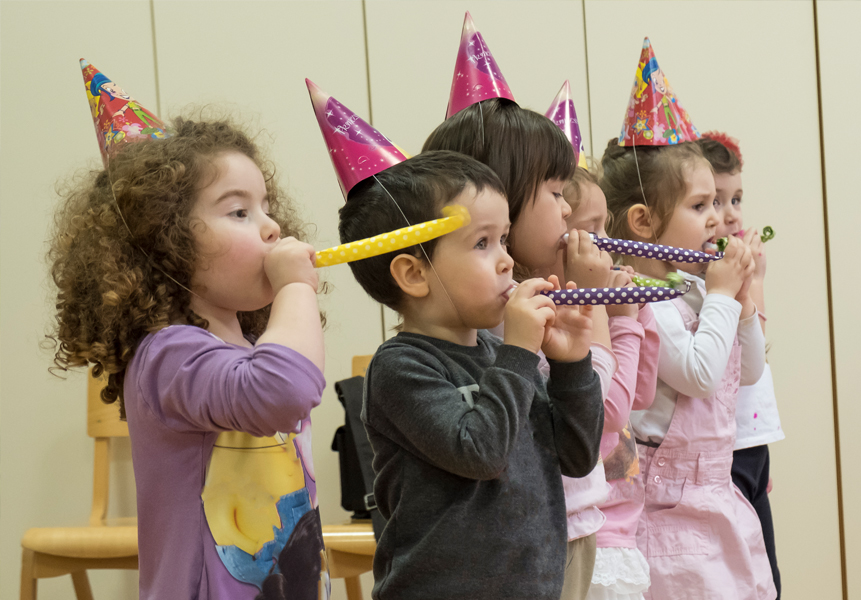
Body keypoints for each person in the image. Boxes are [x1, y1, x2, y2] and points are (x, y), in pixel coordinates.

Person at [48, 110, 328, 599]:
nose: (271, 228)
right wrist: (296, 287)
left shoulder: (244, 350)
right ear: (167, 243)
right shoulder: (168, 354)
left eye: (265, 207)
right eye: (239, 212)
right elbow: (286, 390)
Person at [337, 150, 605, 600]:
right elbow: (480, 451)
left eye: (504, 239)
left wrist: (571, 364)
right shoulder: (400, 367)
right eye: (483, 243)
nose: (506, 261)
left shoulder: (501, 355)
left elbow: (577, 459)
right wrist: (520, 351)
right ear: (413, 274)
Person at [424, 96, 618, 600]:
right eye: (555, 192)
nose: (568, 209)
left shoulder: (525, 311)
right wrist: (585, 306)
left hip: (563, 535)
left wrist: (572, 354)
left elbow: (579, 450)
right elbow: (488, 450)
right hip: (500, 564)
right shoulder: (456, 338)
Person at [600, 138, 776, 599]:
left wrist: (740, 305)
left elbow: (751, 371)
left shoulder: (695, 287)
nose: (717, 219)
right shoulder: (640, 298)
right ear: (643, 221)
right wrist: (720, 296)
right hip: (669, 508)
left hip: (716, 491)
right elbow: (699, 375)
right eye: (700, 206)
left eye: (717, 204)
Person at [556, 167, 660, 600]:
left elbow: (641, 394)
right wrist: (620, 320)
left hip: (620, 525)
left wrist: (640, 318)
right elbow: (610, 414)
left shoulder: (599, 303)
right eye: (590, 230)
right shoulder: (567, 311)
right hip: (594, 523)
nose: (607, 243)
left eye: (605, 226)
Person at [698, 132, 784, 598]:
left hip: (752, 441)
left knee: (767, 574)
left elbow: (757, 356)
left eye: (736, 198)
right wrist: (747, 286)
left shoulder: (734, 271)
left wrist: (758, 279)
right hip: (721, 451)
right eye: (713, 200)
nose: (729, 214)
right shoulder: (705, 279)